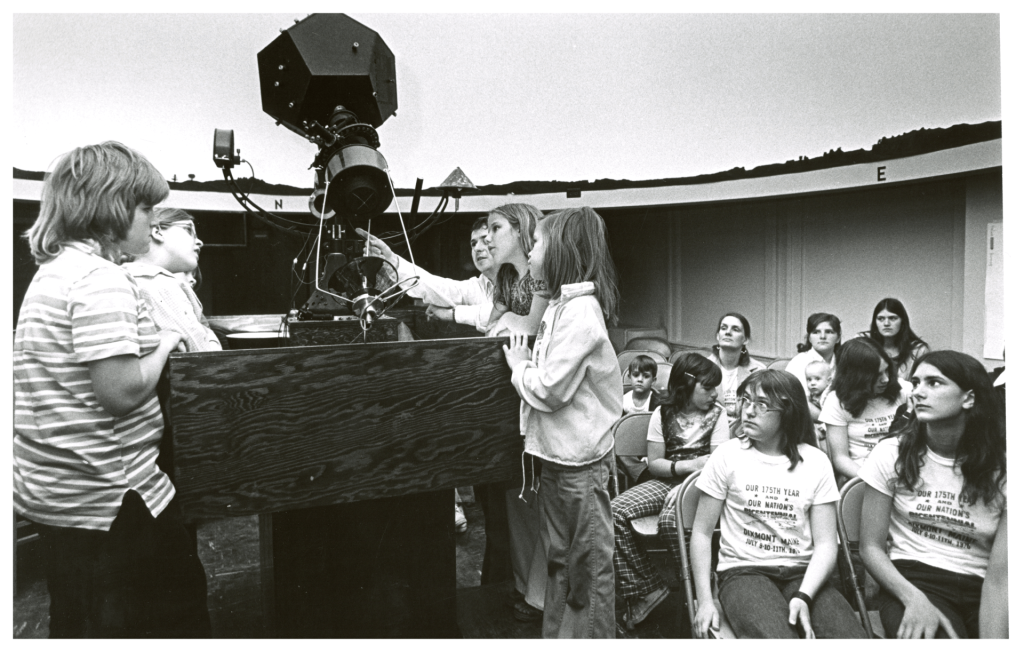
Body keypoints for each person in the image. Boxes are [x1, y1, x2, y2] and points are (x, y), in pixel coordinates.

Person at [13, 141, 210, 637]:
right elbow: (120, 392)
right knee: (169, 617)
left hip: (62, 497)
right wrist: (167, 342)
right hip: (115, 500)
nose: (150, 220)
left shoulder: (52, 273)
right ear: (113, 206)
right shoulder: (102, 279)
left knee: (79, 620)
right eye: (145, 208)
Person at [503, 206, 621, 638]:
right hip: (558, 462)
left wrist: (517, 367)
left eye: (535, 244)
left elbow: (550, 390)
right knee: (560, 564)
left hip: (581, 468)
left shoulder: (581, 313)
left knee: (586, 571)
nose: (530, 254)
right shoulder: (560, 305)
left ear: (562, 252)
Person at [689, 370, 866, 639]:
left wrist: (804, 595)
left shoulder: (816, 462)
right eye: (745, 400)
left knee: (851, 638)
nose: (748, 411)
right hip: (744, 572)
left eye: (761, 404)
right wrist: (705, 600)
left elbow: (827, 544)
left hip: (805, 573)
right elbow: (701, 533)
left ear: (788, 411)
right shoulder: (727, 456)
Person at [859, 351, 1007, 639]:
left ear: (969, 398)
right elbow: (871, 548)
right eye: (916, 382)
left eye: (934, 383)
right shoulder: (891, 453)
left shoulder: (1005, 468)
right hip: (914, 580)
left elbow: (1001, 578)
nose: (918, 392)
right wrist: (914, 599)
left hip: (983, 584)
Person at [611, 353, 728, 630]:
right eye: (707, 387)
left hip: (705, 486)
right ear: (687, 386)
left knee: (669, 520)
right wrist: (688, 467)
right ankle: (648, 588)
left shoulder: (718, 415)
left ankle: (701, 592)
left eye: (715, 388)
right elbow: (656, 464)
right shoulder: (662, 413)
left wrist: (688, 485)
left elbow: (718, 465)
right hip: (668, 481)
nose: (714, 394)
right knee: (612, 511)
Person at [357, 216, 496, 333]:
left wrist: (451, 314)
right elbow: (441, 288)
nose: (477, 248)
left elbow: (500, 313)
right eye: (473, 243)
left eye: (485, 240)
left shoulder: (517, 278)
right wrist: (391, 260)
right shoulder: (481, 285)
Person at [123, 207, 221, 352]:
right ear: (157, 231)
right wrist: (210, 337)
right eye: (189, 230)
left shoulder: (125, 276)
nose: (199, 242)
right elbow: (203, 356)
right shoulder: (158, 283)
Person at [820, 338, 911, 482]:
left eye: (887, 370)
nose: (886, 379)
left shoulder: (903, 390)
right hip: (861, 473)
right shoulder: (836, 401)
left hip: (904, 469)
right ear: (857, 377)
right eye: (877, 375)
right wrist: (875, 480)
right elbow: (840, 459)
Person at [485, 203, 549, 336]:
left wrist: (506, 318)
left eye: (496, 228)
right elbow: (490, 331)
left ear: (519, 228)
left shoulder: (541, 271)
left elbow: (532, 328)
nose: (487, 238)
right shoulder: (506, 275)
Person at [707, 313, 766, 426]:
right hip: (711, 428)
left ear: (745, 340)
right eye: (723, 328)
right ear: (718, 336)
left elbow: (761, 408)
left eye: (735, 329)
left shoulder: (759, 371)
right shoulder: (703, 368)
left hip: (745, 429)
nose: (728, 332)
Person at [859, 298, 929, 381]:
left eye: (892, 318)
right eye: (881, 319)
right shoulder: (862, 342)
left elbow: (923, 382)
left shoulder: (918, 350)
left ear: (902, 321)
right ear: (875, 322)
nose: (886, 324)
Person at [618, 354, 659, 485]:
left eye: (646, 376)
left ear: (654, 380)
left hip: (650, 445)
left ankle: (636, 476)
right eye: (636, 375)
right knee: (619, 450)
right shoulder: (623, 400)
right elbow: (619, 432)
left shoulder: (657, 401)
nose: (640, 380)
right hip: (628, 447)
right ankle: (643, 475)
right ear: (629, 377)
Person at [784, 312, 842, 400]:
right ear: (809, 338)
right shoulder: (799, 362)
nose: (822, 336)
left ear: (838, 338)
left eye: (829, 332)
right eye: (816, 332)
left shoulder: (843, 362)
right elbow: (799, 402)